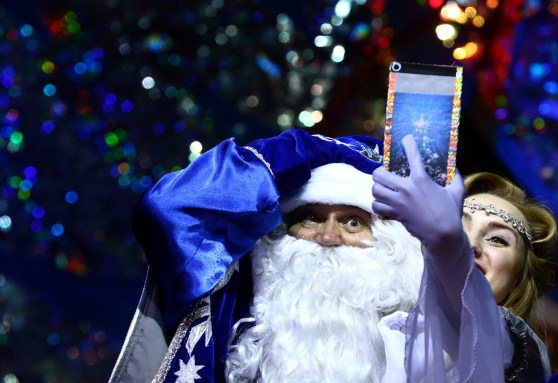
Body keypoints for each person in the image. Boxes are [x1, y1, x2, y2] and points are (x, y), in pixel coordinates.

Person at [108, 128, 425, 383]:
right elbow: (167, 211)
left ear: (389, 245)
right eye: (310, 217)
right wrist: (305, 149)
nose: (328, 237)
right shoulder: (233, 301)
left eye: (353, 222)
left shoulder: (422, 333)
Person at [371, 134, 558, 382]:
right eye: (460, 227)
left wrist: (448, 242)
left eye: (498, 239)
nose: (471, 245)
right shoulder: (370, 320)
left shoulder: (510, 352)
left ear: (518, 282)